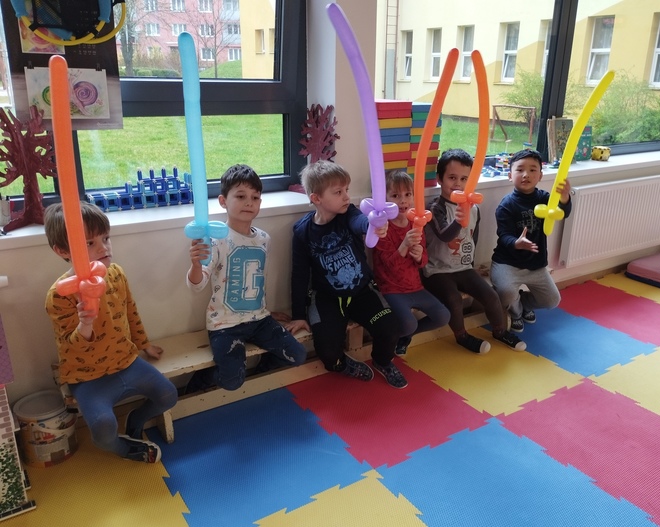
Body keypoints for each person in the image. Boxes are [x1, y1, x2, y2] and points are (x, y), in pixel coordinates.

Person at [44, 202, 177, 464]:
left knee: (168, 395)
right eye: (90, 243)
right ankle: (124, 448)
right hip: (87, 375)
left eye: (105, 238)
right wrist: (85, 324)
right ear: (62, 250)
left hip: (125, 361)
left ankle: (136, 420)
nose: (103, 248)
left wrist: (144, 344)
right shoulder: (60, 295)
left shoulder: (116, 274)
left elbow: (130, 312)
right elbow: (70, 346)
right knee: (103, 430)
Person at [186, 164, 307, 392]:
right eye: (241, 196)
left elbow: (256, 281)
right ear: (223, 201)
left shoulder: (264, 239)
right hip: (225, 324)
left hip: (259, 319)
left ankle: (263, 368)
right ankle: (202, 379)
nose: (249, 202)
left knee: (298, 355)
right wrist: (195, 264)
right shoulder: (215, 241)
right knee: (232, 381)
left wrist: (265, 311)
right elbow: (197, 285)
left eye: (255, 197)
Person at [287, 160, 407, 388]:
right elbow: (299, 275)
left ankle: (382, 361)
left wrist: (373, 224)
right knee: (328, 352)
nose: (346, 196)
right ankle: (341, 364)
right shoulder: (303, 231)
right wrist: (298, 314)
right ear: (316, 198)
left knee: (391, 329)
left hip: (362, 292)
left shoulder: (348, 213)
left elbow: (360, 222)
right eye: (338, 192)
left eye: (347, 190)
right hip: (327, 298)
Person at [422, 148, 527, 353]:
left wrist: (471, 264)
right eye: (452, 178)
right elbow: (445, 236)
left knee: (491, 295)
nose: (458, 184)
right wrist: (459, 220)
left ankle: (500, 331)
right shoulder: (435, 208)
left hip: (463, 267)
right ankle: (461, 336)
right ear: (440, 179)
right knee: (453, 299)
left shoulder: (474, 208)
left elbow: (473, 237)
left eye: (464, 179)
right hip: (436, 270)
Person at [491, 149, 572, 332]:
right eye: (520, 170)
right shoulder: (506, 205)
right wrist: (516, 242)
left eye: (532, 170)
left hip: (535, 264)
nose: (526, 174)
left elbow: (562, 213)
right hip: (508, 264)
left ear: (540, 176)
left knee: (552, 300)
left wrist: (565, 198)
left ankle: (524, 303)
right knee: (505, 294)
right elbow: (504, 235)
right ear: (510, 176)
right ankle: (516, 312)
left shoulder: (545, 198)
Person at [372, 170, 450, 355]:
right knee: (408, 324)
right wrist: (404, 245)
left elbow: (423, 263)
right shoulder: (382, 228)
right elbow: (389, 266)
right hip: (391, 288)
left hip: (415, 286)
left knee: (443, 316)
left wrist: (419, 255)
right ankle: (396, 335)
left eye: (408, 194)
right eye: (395, 196)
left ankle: (404, 337)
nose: (403, 201)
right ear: (384, 199)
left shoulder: (415, 223)